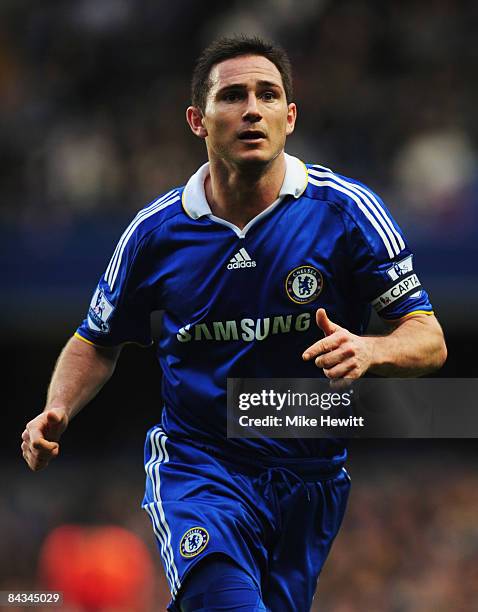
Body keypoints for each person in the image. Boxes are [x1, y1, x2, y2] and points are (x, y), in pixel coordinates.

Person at [22, 36, 447, 611]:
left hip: (309, 477)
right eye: (233, 96)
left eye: (268, 95)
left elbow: (429, 338)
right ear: (198, 120)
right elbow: (96, 340)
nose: (252, 109)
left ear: (289, 117)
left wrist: (373, 350)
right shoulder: (154, 234)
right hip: (200, 466)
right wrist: (60, 405)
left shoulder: (345, 213)